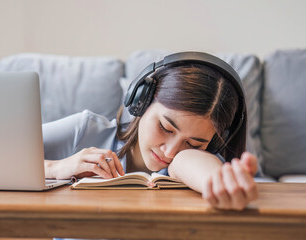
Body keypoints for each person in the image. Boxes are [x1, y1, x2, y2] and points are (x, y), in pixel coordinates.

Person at [43, 52, 258, 211]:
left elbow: (193, 165)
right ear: (141, 102)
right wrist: (57, 167)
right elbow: (8, 157)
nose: (171, 152)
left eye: (193, 144)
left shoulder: (192, 162)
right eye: (165, 127)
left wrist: (219, 182)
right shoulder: (84, 130)